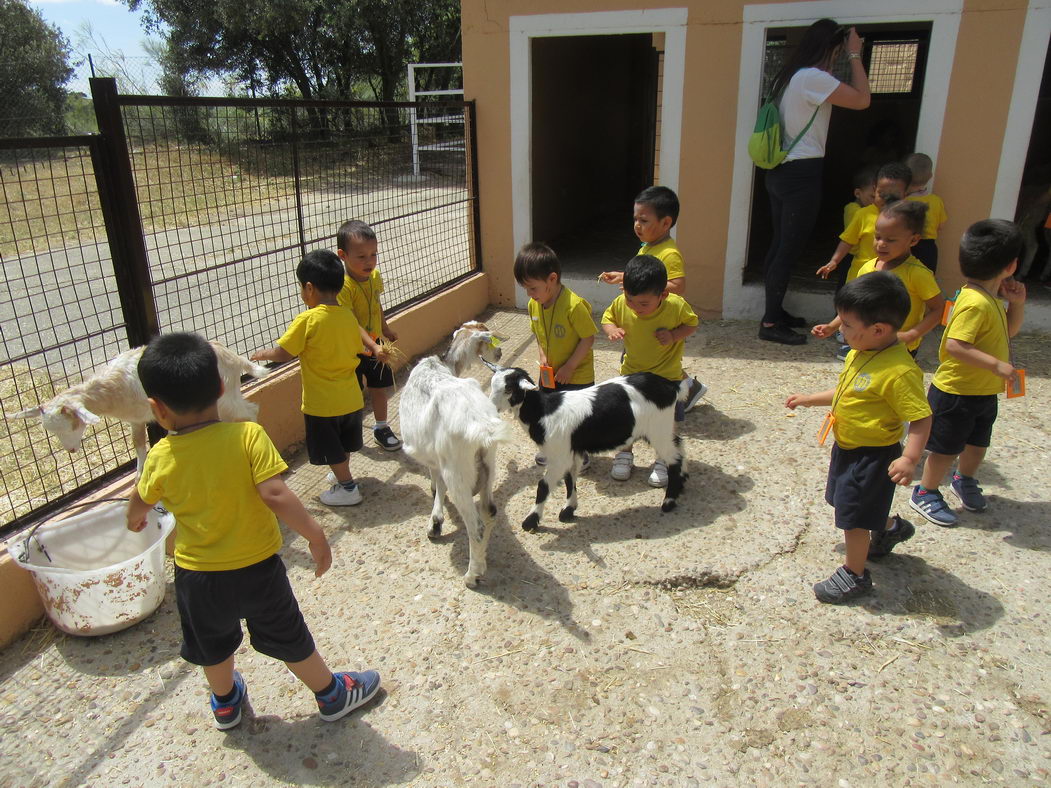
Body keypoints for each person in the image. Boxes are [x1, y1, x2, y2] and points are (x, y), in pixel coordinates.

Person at [126, 332, 381, 729]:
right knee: (288, 634)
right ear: (221, 387)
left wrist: (134, 518)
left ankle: (226, 703)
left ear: (156, 410)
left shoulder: (160, 456)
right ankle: (331, 694)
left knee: (211, 645)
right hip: (257, 570)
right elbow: (275, 493)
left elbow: (141, 498)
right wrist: (314, 533)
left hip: (197, 575)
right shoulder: (247, 435)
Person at [786, 272, 931, 604]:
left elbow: (921, 418)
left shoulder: (899, 372)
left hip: (874, 455)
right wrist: (810, 398)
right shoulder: (860, 352)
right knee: (848, 502)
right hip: (847, 447)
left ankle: (855, 575)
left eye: (847, 325)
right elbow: (846, 391)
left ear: (878, 330)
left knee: (852, 517)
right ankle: (889, 528)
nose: (841, 330)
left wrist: (909, 458)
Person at [758, 19, 871, 346]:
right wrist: (855, 55)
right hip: (800, 173)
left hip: (780, 170)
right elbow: (862, 99)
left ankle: (775, 312)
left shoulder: (793, 76)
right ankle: (769, 323)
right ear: (832, 48)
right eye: (839, 50)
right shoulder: (813, 77)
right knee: (787, 251)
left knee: (780, 245)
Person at [910, 220, 1027, 527]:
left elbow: (1008, 332)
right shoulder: (974, 303)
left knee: (978, 444)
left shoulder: (990, 300)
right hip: (956, 393)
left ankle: (966, 480)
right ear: (1011, 266)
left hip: (983, 392)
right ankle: (926, 491)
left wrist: (1016, 305)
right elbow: (955, 346)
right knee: (945, 449)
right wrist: (995, 365)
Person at [252, 250, 366, 507]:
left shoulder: (308, 319)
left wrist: (262, 354)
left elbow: (284, 352)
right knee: (342, 443)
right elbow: (356, 347)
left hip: (322, 403)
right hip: (350, 397)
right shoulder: (348, 316)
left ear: (310, 288)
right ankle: (341, 473)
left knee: (330, 445)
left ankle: (348, 487)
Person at [599, 185, 707, 408]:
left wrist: (650, 289)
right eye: (635, 219)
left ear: (666, 223)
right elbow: (644, 275)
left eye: (644, 220)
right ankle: (686, 390)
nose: (637, 225)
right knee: (648, 359)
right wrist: (624, 277)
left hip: (659, 318)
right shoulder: (648, 246)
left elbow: (679, 285)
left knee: (661, 364)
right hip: (643, 317)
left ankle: (683, 394)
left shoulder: (669, 253)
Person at [601, 255, 698, 487]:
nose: (635, 307)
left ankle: (664, 460)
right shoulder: (622, 303)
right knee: (628, 416)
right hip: (632, 375)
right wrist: (612, 330)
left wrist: (674, 335)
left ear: (663, 295)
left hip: (667, 378)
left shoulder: (675, 305)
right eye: (630, 299)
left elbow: (692, 324)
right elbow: (607, 317)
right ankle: (624, 454)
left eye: (643, 303)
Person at [813, 201, 945, 361]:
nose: (881, 244)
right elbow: (854, 304)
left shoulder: (917, 273)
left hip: (898, 347)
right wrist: (832, 327)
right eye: (877, 237)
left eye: (891, 240)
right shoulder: (868, 267)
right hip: (865, 343)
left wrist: (912, 335)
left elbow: (938, 309)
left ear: (913, 240)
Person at [514, 241, 597, 467]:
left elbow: (588, 338)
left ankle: (579, 452)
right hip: (550, 372)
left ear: (552, 279)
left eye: (533, 288)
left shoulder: (574, 306)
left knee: (575, 416)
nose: (529, 294)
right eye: (525, 289)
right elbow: (539, 335)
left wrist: (570, 366)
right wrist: (542, 355)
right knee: (549, 410)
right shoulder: (535, 305)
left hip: (576, 374)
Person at [336, 220, 401, 452]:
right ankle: (350, 432)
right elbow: (351, 323)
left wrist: (385, 329)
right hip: (355, 350)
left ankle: (381, 427)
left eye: (373, 254)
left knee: (379, 388)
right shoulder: (343, 286)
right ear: (342, 255)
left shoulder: (375, 276)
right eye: (361, 256)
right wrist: (372, 347)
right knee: (353, 395)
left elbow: (376, 304)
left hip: (377, 346)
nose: (369, 261)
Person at [817, 161, 912, 285]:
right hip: (861, 275)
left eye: (894, 196)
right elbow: (847, 240)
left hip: (891, 277)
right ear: (875, 189)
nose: (887, 200)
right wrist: (834, 261)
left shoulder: (907, 218)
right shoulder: (863, 214)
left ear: (905, 195)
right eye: (882, 194)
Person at [835, 166, 878, 293]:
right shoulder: (854, 210)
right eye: (872, 196)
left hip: (859, 256)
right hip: (850, 255)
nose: (875, 201)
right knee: (845, 288)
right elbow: (852, 238)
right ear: (858, 193)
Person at [905, 153, 949, 273]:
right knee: (926, 280)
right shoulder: (936, 200)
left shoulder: (903, 201)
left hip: (906, 245)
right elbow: (941, 226)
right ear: (930, 176)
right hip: (928, 248)